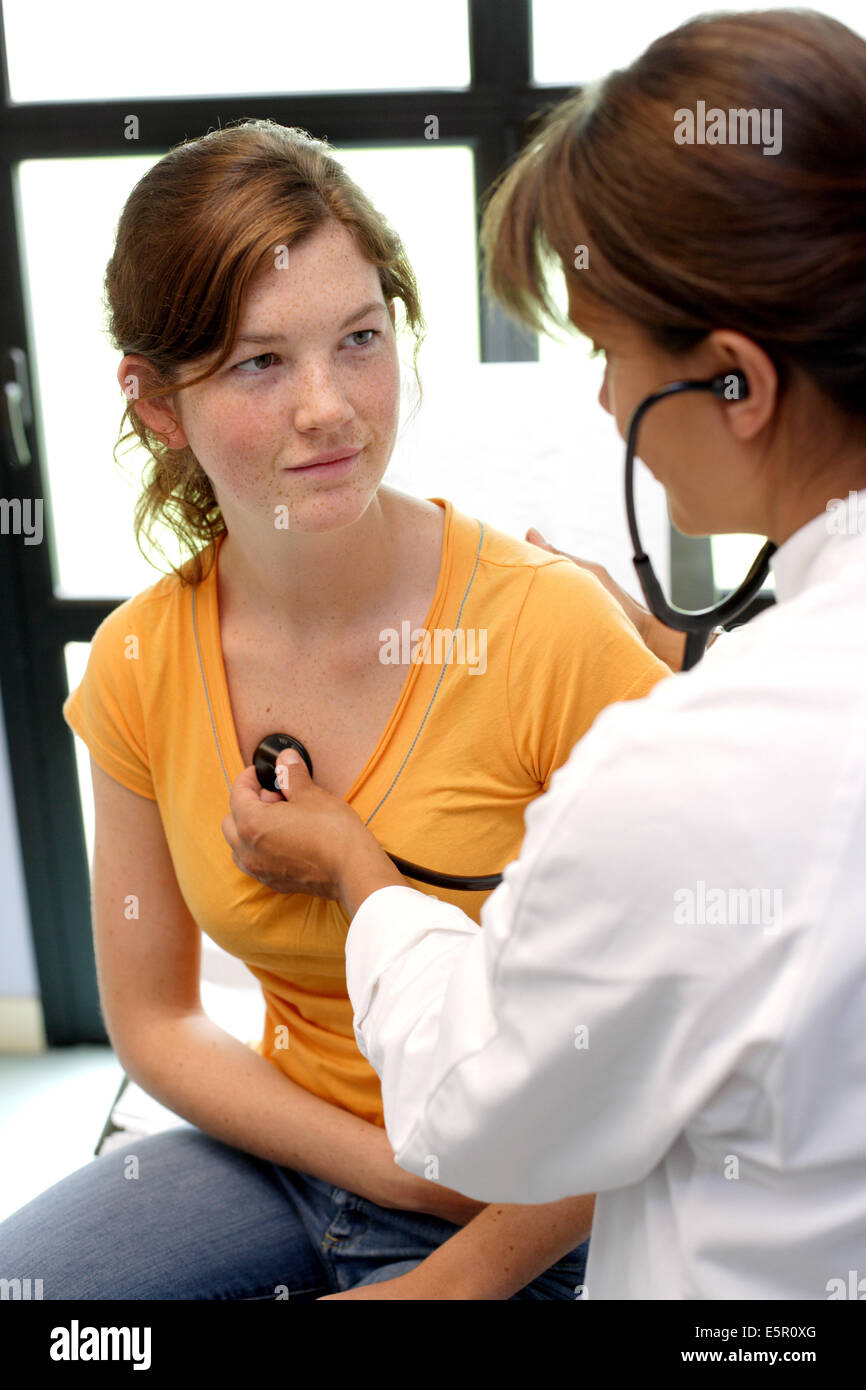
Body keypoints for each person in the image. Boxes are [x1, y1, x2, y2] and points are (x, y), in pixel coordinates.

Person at [221, 9, 866, 1299]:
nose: (601, 399)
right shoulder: (753, 720)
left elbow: (480, 1104)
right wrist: (698, 683)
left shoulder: (690, 763)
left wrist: (358, 867)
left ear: (733, 382)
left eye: (606, 351)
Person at [0, 118, 674, 1300]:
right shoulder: (137, 663)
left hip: (551, 1197)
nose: (330, 408)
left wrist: (447, 1274)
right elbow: (155, 1018)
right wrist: (395, 1173)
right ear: (156, 403)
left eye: (359, 340)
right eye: (260, 363)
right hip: (297, 1153)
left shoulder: (547, 629)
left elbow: (684, 1024)